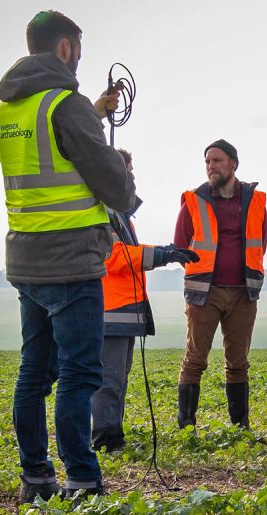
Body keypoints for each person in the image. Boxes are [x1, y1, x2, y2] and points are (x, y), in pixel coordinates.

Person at [0, 10, 136, 502]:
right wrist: (123, 173)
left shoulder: (8, 110)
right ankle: (83, 479)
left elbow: (50, 147)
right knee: (79, 373)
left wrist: (91, 113)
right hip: (71, 259)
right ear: (66, 48)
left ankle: (36, 478)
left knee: (35, 370)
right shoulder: (65, 104)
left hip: (27, 261)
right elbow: (111, 183)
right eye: (79, 52)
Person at [90, 149, 199, 452]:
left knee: (117, 378)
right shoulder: (103, 212)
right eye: (128, 170)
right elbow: (116, 257)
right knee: (109, 380)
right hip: (109, 308)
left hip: (123, 308)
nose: (133, 177)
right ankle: (105, 440)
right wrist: (164, 254)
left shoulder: (120, 214)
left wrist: (166, 252)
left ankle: (113, 435)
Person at [174, 139, 267, 430]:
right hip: (205, 293)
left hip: (243, 293)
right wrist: (203, 275)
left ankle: (241, 426)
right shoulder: (193, 200)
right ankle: (186, 426)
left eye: (217, 161)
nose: (211, 167)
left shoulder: (255, 201)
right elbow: (180, 246)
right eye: (207, 162)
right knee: (195, 360)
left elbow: (260, 242)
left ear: (233, 164)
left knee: (238, 362)